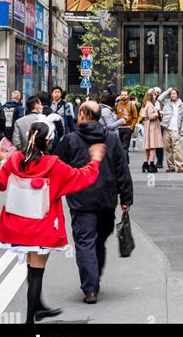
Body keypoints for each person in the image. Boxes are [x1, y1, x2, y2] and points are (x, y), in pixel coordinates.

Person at [0, 120, 105, 323]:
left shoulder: (15, 160)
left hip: (17, 226)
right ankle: (31, 318)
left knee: (31, 267)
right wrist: (96, 159)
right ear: (48, 142)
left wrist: (3, 159)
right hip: (41, 228)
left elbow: (1, 183)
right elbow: (82, 176)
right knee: (37, 272)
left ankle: (39, 307)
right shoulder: (53, 164)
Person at [56, 100, 132, 304]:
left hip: (81, 201)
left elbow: (56, 168)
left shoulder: (70, 140)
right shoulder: (113, 139)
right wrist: (126, 198)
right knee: (98, 241)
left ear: (81, 115)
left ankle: (90, 288)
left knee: (85, 243)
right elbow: (122, 170)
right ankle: (94, 277)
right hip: (107, 201)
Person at [158, 87, 183, 173]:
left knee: (177, 148)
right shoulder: (166, 103)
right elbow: (159, 99)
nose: (172, 95)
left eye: (174, 93)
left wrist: (182, 130)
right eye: (171, 94)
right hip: (166, 128)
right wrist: (167, 91)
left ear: (177, 94)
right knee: (167, 149)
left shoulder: (182, 105)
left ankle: (180, 166)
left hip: (175, 129)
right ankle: (171, 166)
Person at [141, 91, 163, 173]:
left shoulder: (146, 104)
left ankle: (145, 163)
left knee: (148, 147)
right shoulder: (150, 105)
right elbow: (151, 116)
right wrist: (158, 113)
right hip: (152, 127)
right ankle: (151, 164)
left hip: (149, 127)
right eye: (154, 95)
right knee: (153, 146)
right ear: (151, 96)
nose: (155, 97)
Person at [115, 89, 138, 162]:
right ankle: (126, 159)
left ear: (127, 96)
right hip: (118, 128)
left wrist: (131, 127)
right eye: (122, 95)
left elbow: (135, 117)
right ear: (120, 96)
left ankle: (123, 162)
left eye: (125, 95)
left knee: (125, 146)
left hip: (127, 128)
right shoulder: (116, 105)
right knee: (120, 146)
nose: (123, 96)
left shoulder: (132, 104)